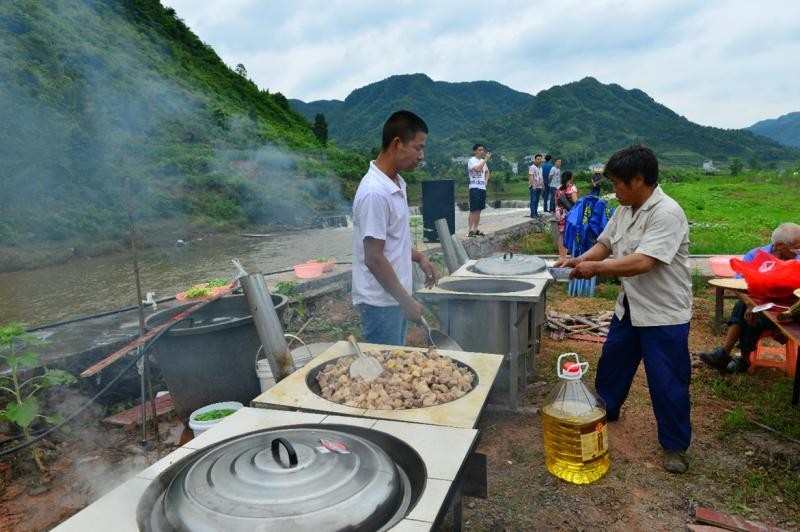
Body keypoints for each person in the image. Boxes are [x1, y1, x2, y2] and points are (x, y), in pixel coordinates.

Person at [554, 144, 693, 474]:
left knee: (667, 380)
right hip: (631, 306)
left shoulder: (666, 213)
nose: (614, 191)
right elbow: (605, 244)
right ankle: (606, 409)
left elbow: (644, 261)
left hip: (663, 313)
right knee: (613, 362)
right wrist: (580, 259)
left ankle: (674, 445)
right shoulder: (624, 210)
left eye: (618, 184)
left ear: (639, 180)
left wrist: (597, 270)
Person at [351, 110, 439, 345]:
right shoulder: (374, 193)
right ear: (397, 144)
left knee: (394, 365)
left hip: (394, 299)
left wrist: (418, 256)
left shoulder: (396, 183)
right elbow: (374, 258)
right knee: (384, 375)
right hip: (381, 304)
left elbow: (392, 241)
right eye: (418, 147)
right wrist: (406, 301)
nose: (422, 156)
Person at [697, 222, 800, 373]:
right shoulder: (756, 255)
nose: (799, 250)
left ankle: (729, 355)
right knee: (745, 307)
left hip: (784, 311)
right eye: (796, 246)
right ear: (779, 245)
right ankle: (740, 358)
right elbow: (736, 284)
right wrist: (750, 304)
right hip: (756, 304)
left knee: (752, 313)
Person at [467, 144, 491, 237]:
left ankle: (476, 229)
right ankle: (470, 230)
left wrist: (486, 181)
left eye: (482, 150)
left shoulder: (482, 161)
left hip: (482, 188)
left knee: (479, 210)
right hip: (474, 187)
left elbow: (487, 171)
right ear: (475, 151)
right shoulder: (471, 160)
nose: (482, 151)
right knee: (473, 209)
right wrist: (485, 160)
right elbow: (477, 169)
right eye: (480, 150)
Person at [554, 170, 578, 261]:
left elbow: (556, 201)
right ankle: (569, 256)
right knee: (569, 234)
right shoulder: (572, 188)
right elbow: (576, 202)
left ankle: (562, 257)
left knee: (562, 234)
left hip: (559, 212)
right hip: (569, 213)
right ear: (570, 178)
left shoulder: (558, 188)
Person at [528, 153, 543, 218]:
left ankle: (535, 213)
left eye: (540, 159)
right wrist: (533, 185)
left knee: (537, 200)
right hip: (534, 187)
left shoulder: (540, 168)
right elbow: (531, 176)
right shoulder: (532, 167)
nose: (539, 160)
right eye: (538, 159)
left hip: (539, 186)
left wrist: (543, 185)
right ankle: (533, 214)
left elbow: (540, 177)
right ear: (535, 160)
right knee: (533, 200)